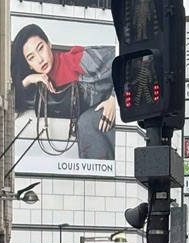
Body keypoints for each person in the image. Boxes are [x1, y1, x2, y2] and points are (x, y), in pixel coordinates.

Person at [11, 23, 116, 161]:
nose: (40, 59)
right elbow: (11, 102)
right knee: (85, 123)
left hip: (118, 102)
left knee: (86, 123)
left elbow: (125, 59)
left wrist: (114, 99)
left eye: (40, 48)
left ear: (49, 44)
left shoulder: (78, 60)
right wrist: (28, 80)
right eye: (31, 58)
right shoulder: (37, 87)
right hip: (90, 116)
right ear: (29, 65)